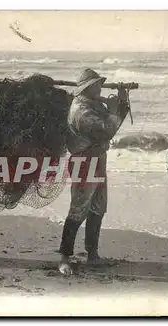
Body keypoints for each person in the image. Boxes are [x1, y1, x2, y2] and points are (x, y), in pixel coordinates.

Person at [58, 68, 130, 275]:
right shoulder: (81, 111)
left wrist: (121, 102)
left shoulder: (93, 105)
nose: (100, 87)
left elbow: (113, 122)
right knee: (79, 208)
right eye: (97, 84)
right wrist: (116, 109)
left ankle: (92, 254)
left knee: (99, 206)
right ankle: (64, 256)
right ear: (88, 88)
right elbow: (108, 129)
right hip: (84, 161)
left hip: (97, 159)